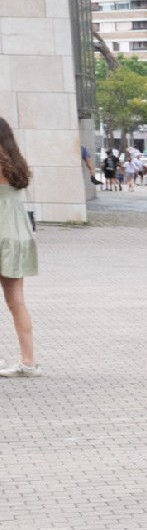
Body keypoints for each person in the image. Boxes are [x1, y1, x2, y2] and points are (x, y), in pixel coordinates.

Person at [0, 118, 40, 377]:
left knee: (15, 302)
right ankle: (28, 361)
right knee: (17, 302)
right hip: (18, 234)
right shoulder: (18, 164)